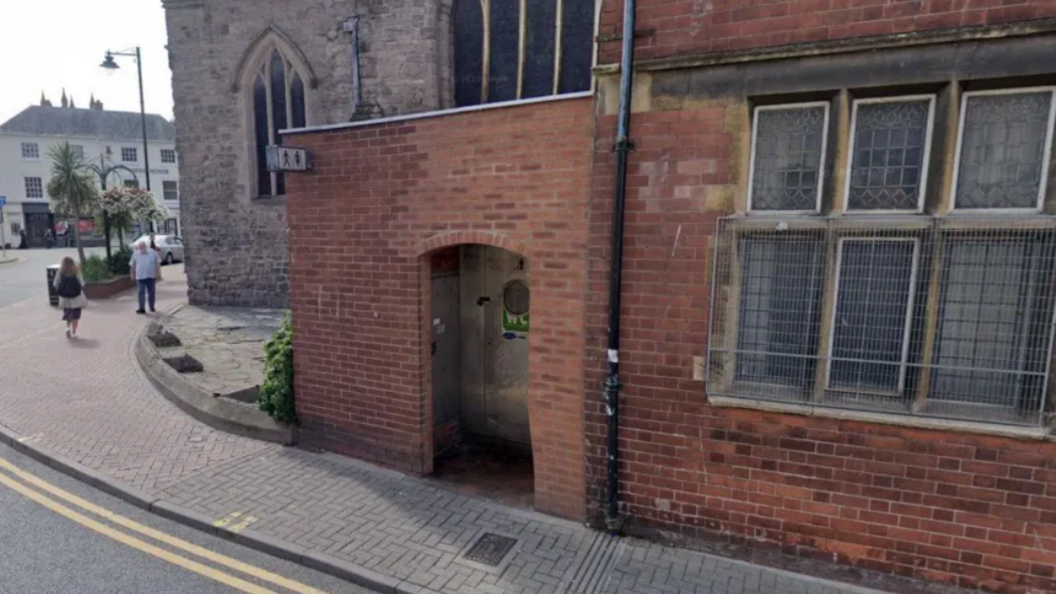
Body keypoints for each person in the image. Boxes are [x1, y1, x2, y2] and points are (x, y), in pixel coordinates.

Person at [54, 257, 87, 339]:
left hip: (65, 298)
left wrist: (61, 289)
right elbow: (82, 283)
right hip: (76, 297)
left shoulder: (60, 272)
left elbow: (55, 283)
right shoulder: (76, 271)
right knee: (75, 315)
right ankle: (74, 332)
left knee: (67, 313)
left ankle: (67, 328)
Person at [129, 240, 160, 314]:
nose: (141, 249)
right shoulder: (135, 254)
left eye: (142, 247)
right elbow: (132, 265)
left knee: (151, 292)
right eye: (140, 248)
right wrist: (132, 274)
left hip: (151, 276)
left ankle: (152, 306)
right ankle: (141, 308)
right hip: (140, 276)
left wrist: (158, 272)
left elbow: (157, 263)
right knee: (141, 292)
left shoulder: (153, 252)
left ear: (145, 246)